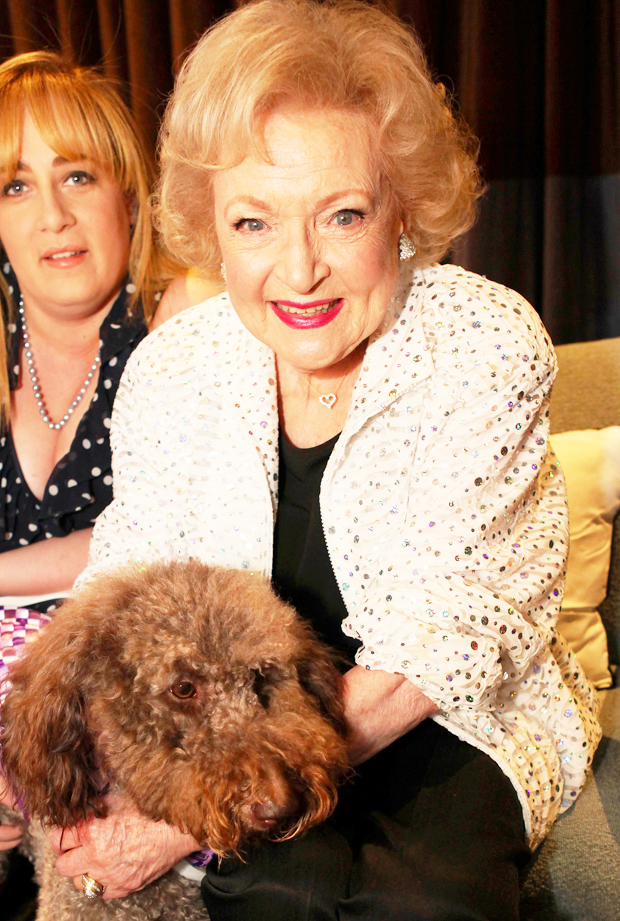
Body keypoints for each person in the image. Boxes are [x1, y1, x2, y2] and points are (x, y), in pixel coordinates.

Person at [44, 2, 602, 919]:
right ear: (211, 227)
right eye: (253, 223)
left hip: (444, 716)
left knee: (427, 900)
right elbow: (125, 588)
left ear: (402, 211)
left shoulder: (483, 343)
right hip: (229, 722)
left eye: (342, 215)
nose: (299, 270)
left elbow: (448, 643)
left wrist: (187, 822)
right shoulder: (174, 369)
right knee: (264, 888)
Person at [0, 50, 186, 861]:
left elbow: (158, 537)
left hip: (126, 687)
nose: (53, 214)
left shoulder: (182, 317)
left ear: (128, 195)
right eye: (15, 186)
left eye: (77, 175)